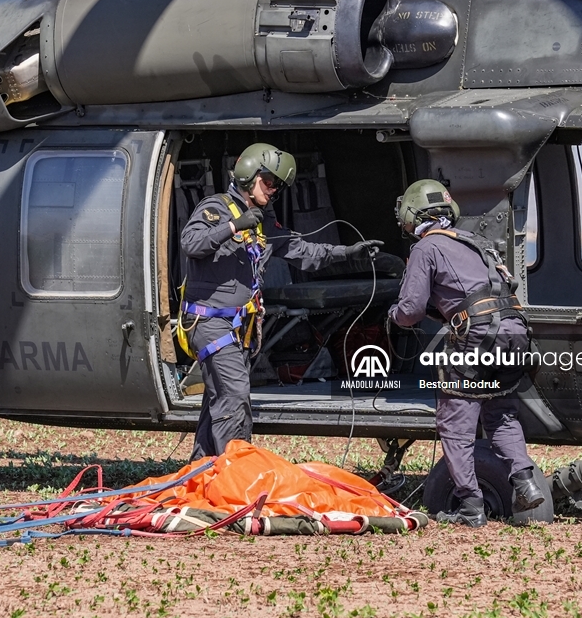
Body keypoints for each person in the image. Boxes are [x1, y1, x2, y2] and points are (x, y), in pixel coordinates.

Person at [179, 142, 382, 461]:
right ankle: (238, 478)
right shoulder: (214, 207)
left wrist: (348, 252)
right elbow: (191, 243)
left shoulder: (261, 223)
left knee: (218, 402)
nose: (274, 189)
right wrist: (233, 226)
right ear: (248, 175)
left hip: (238, 330)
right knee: (234, 399)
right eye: (268, 181)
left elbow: (304, 252)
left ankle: (201, 475)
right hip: (211, 323)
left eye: (278, 185)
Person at [387, 179, 545, 526]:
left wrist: (393, 315)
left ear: (413, 215)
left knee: (455, 422)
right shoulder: (477, 242)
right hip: (517, 332)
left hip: (479, 336)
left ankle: (471, 507)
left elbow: (410, 310)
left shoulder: (426, 249)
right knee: (500, 413)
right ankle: (526, 482)